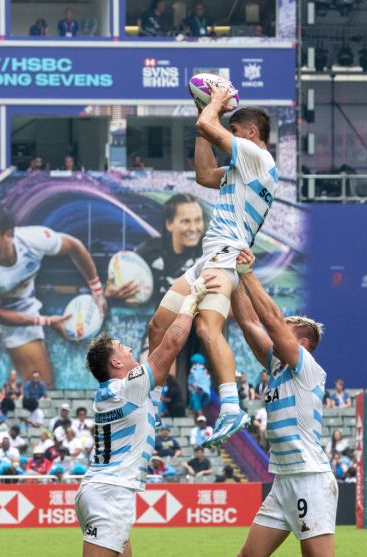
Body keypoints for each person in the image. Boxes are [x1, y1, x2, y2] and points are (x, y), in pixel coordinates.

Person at [31, 278, 205, 557]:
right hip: (110, 492)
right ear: (116, 363)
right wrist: (193, 301)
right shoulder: (127, 387)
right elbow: (170, 344)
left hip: (102, 488)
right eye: (125, 350)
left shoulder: (124, 389)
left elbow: (157, 335)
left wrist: (182, 285)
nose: (131, 351)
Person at [199, 248, 360, 557]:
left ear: (301, 342)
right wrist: (230, 278)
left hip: (309, 479)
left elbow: (268, 320)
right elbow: (249, 321)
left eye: (287, 328)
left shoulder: (307, 367)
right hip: (285, 481)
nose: (278, 329)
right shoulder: (276, 368)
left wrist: (249, 273)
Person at [148, 85, 278, 447]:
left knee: (206, 330)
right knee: (158, 324)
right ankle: (152, 402)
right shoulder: (244, 167)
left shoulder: (256, 157)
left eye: (233, 132)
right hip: (209, 257)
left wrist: (213, 106)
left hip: (226, 254)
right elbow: (204, 175)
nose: (229, 137)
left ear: (251, 134)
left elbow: (209, 124)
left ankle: (233, 407)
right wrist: (207, 119)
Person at [0, 202, 104, 390]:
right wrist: (47, 322)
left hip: (22, 307)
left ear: (8, 234)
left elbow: (73, 246)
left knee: (42, 388)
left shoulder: (33, 240)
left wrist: (97, 291)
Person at [133, 194, 205, 305]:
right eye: (186, 221)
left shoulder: (210, 252)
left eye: (198, 220)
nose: (193, 228)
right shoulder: (148, 251)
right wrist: (112, 293)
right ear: (169, 224)